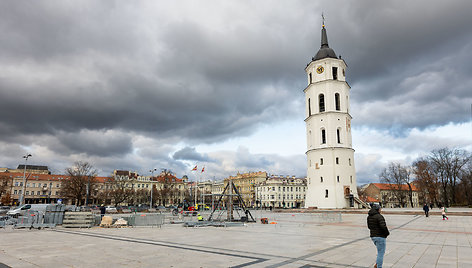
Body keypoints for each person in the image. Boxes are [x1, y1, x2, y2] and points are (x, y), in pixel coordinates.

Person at [367, 204, 390, 268]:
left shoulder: (369, 216)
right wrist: (387, 233)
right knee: (381, 253)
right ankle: (379, 266)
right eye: (380, 208)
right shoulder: (379, 216)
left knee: (379, 251)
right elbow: (383, 226)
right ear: (377, 209)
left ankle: (377, 264)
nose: (381, 210)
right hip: (380, 236)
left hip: (373, 236)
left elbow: (369, 227)